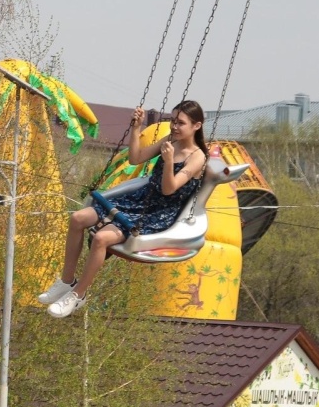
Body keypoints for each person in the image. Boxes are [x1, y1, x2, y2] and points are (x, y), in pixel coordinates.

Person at [42, 102, 210, 318]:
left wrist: (168, 162)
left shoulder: (197, 157)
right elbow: (136, 158)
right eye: (173, 121)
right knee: (78, 218)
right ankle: (66, 281)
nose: (174, 127)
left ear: (196, 126)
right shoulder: (170, 141)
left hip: (158, 212)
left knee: (102, 238)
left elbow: (169, 190)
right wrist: (136, 129)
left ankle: (78, 295)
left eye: (181, 123)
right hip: (140, 200)